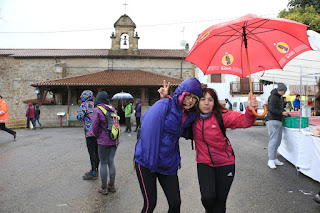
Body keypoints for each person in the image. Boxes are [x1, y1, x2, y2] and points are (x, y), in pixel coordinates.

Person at [134, 78, 202, 213]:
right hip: (146, 161)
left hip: (167, 164)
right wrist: (151, 162)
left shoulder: (188, 115)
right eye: (188, 96)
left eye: (194, 98)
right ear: (182, 93)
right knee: (150, 204)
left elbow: (190, 130)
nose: (190, 100)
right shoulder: (164, 104)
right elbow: (147, 131)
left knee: (175, 203)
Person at [193, 88, 258, 213]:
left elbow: (244, 121)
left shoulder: (222, 115)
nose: (206, 103)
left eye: (210, 100)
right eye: (203, 99)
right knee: (207, 198)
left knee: (220, 203)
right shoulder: (192, 117)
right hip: (204, 163)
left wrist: (250, 110)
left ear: (214, 102)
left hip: (225, 164)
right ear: (197, 102)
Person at [92, 91, 119, 195]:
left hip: (103, 140)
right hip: (114, 138)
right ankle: (111, 186)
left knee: (103, 163)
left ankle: (103, 188)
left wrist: (97, 136)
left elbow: (94, 126)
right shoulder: (112, 108)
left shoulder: (97, 110)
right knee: (111, 162)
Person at [265, 83, 289, 169]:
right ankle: (270, 160)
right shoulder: (273, 97)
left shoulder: (278, 98)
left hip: (278, 120)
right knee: (273, 140)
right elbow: (271, 109)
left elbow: (279, 108)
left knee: (278, 140)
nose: (285, 93)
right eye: (284, 91)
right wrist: (282, 113)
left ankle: (274, 158)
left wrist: (284, 112)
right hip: (272, 120)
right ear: (282, 90)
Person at [77, 90, 100, 180]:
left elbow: (79, 116)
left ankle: (93, 172)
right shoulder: (96, 105)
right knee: (97, 151)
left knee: (91, 152)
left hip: (89, 133)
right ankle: (96, 170)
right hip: (97, 132)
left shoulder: (84, 105)